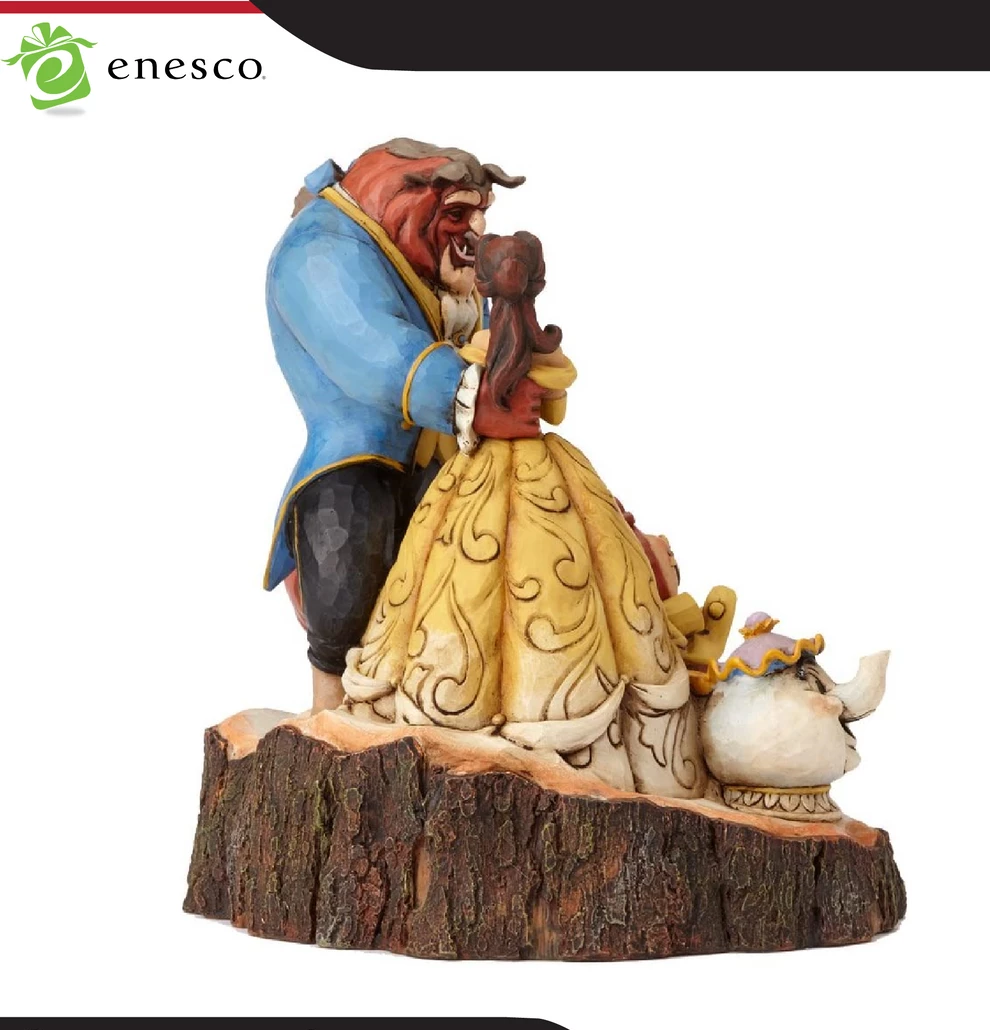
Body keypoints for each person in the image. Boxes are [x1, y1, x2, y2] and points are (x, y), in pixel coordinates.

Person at [342, 232, 705, 797]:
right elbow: (554, 410)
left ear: (484, 285)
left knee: (457, 578)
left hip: (475, 472)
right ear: (537, 284)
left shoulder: (477, 349)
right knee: (563, 575)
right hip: (539, 467)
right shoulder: (543, 350)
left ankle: (467, 712)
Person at [262, 139, 544, 713]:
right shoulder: (320, 249)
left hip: (450, 454)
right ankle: (330, 704)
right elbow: (368, 347)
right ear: (407, 201)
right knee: (347, 535)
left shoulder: (440, 264)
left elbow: (480, 338)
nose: (474, 231)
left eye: (480, 214)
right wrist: (468, 395)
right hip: (359, 452)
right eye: (459, 214)